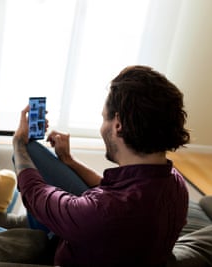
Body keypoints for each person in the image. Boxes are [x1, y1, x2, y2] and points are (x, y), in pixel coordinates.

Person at [10, 65, 190, 266]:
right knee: (34, 151)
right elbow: (111, 188)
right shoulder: (175, 183)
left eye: (104, 118)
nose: (102, 126)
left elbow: (36, 193)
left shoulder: (104, 211)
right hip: (103, 238)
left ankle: (38, 241)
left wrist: (17, 143)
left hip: (68, 246)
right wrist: (69, 161)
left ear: (118, 124)